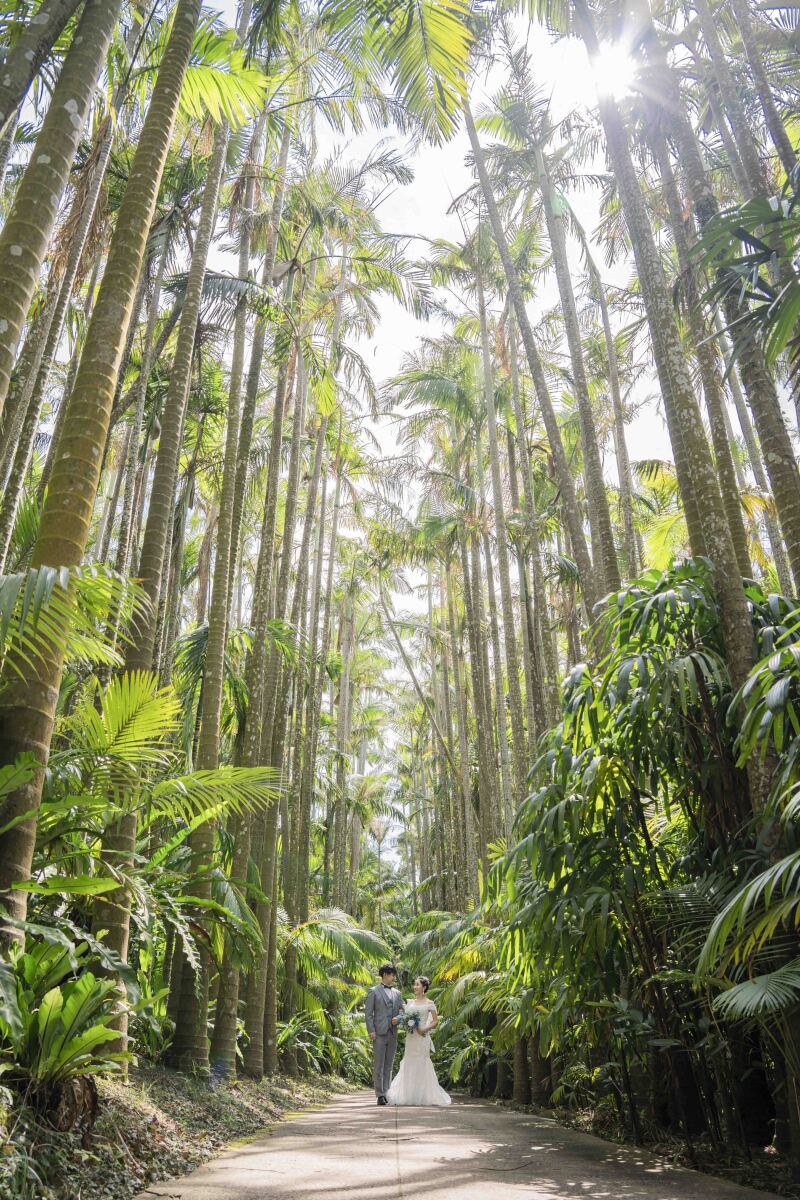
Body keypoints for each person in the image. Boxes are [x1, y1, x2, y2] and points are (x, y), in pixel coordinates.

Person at [386, 975, 451, 1107]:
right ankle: (407, 1095)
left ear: (424, 987)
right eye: (414, 984)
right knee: (409, 1061)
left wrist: (424, 1029)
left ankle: (424, 1095)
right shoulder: (410, 1002)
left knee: (422, 1061)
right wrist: (401, 1021)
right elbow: (404, 1016)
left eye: (417, 985)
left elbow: (435, 1021)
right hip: (411, 1037)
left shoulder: (429, 1003)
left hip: (422, 1037)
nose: (415, 987)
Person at [365, 963, 404, 1106]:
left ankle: (387, 1093)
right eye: (392, 975)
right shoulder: (373, 991)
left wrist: (398, 1018)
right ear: (385, 975)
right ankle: (380, 1095)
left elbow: (403, 1011)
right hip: (379, 1033)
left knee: (389, 1065)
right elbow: (368, 1014)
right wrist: (371, 1031)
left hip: (393, 1033)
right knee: (379, 1065)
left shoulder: (397, 993)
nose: (394, 978)